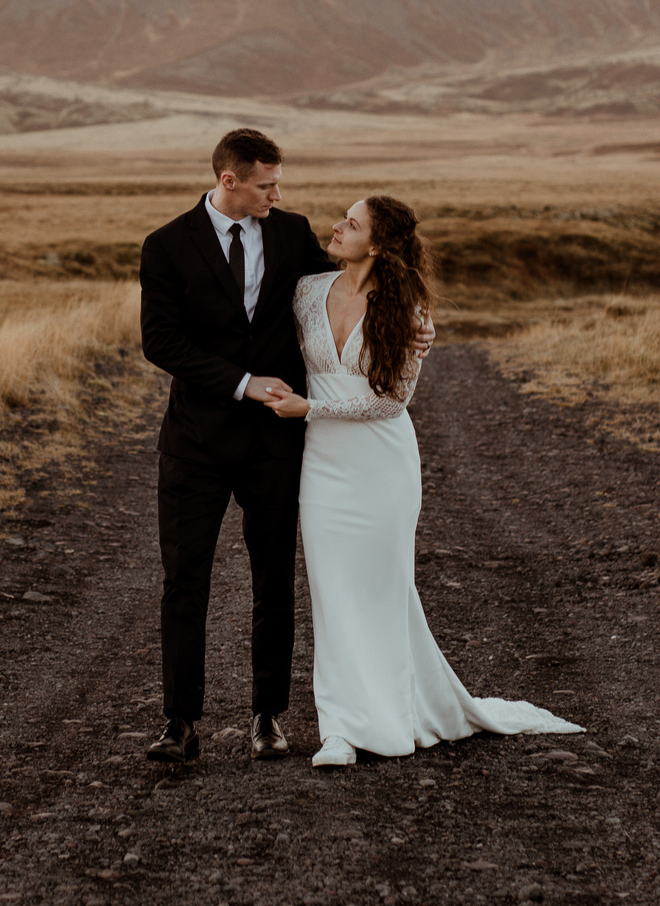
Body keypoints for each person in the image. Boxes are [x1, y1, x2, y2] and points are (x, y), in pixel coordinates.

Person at [263, 195, 582, 765]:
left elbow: (392, 402)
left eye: (352, 224)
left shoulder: (406, 309)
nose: (336, 227)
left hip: (381, 464)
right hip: (322, 465)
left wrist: (308, 409)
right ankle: (338, 727)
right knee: (331, 593)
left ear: (379, 245)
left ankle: (390, 714)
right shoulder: (307, 289)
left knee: (384, 591)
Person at [135, 127, 335, 763]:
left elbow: (338, 298)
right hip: (195, 441)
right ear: (230, 181)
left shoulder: (291, 232)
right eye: (267, 184)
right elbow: (161, 343)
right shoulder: (166, 246)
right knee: (184, 580)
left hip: (274, 443)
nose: (278, 194)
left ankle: (268, 715)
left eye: (279, 183)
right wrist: (246, 385)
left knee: (274, 578)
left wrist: (407, 322)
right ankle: (179, 723)